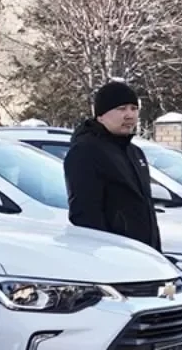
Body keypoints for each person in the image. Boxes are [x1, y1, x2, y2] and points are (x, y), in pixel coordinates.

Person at [63, 80, 162, 249]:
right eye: (121, 109)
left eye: (134, 108)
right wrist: (108, 253)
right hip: (114, 254)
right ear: (101, 115)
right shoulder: (86, 151)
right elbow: (85, 214)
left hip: (144, 253)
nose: (129, 115)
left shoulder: (134, 152)